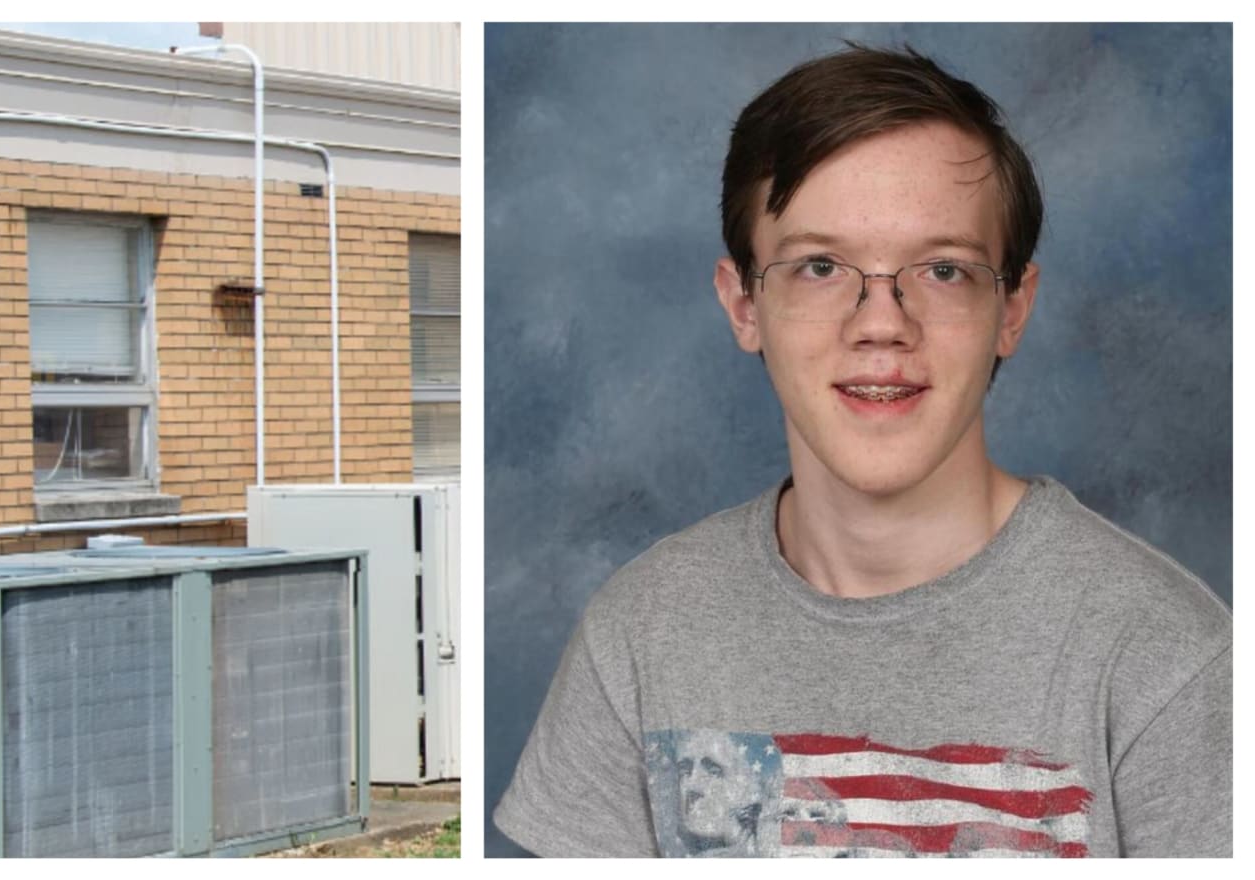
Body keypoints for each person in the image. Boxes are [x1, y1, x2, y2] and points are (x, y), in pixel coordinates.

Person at [492, 44, 1231, 858]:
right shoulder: (637, 637)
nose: (881, 322)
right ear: (744, 304)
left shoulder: (1166, 661)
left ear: (1012, 308)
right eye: (820, 266)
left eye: (943, 269)